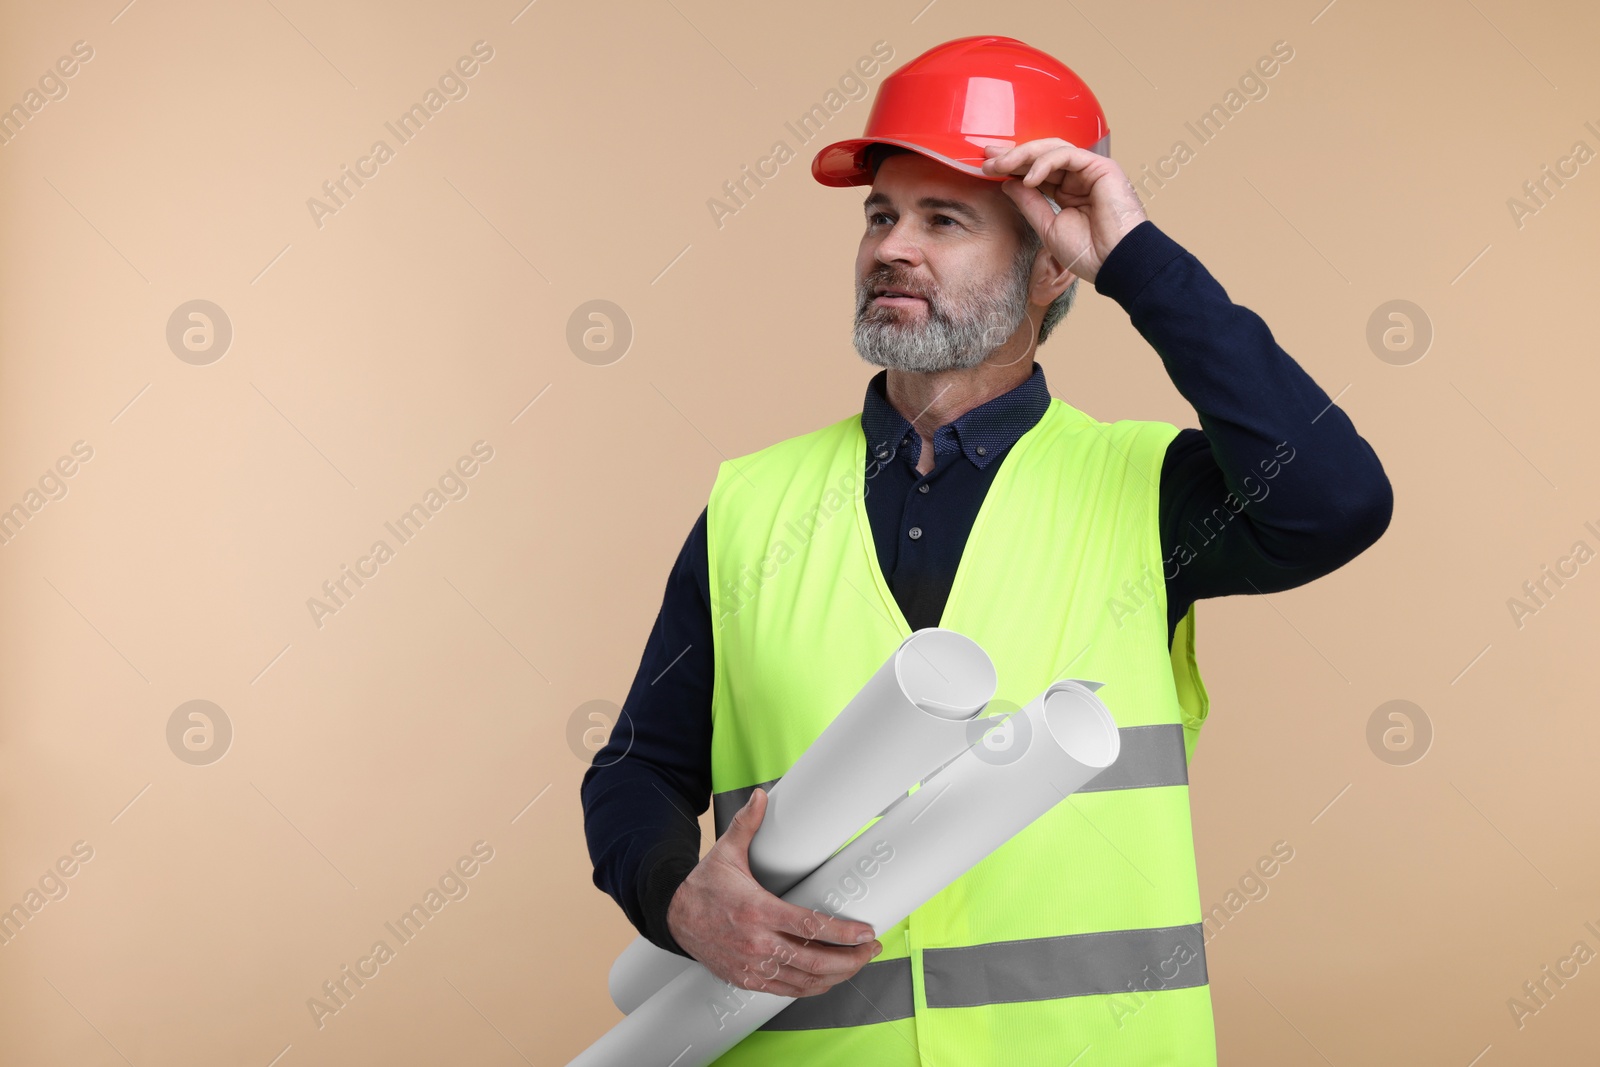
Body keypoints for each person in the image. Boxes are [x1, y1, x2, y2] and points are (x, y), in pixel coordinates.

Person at [581, 35, 1391, 1066]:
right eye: (881, 213)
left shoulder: (1147, 493)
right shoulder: (752, 502)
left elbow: (1337, 501)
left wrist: (1136, 257)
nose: (889, 247)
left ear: (1053, 260)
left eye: (944, 219)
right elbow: (638, 767)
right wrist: (674, 896)